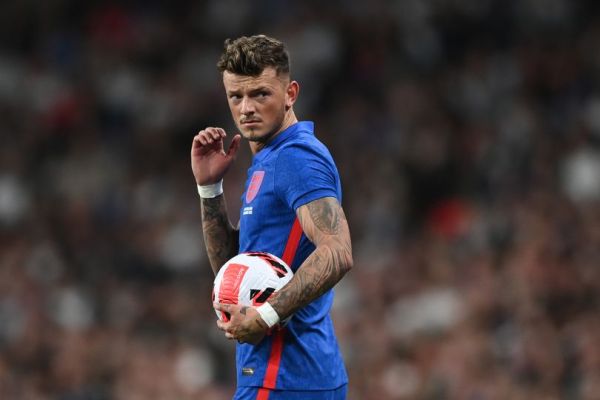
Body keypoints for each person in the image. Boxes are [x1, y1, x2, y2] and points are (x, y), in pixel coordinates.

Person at [191, 35, 353, 400]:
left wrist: (265, 316)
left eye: (260, 94)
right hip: (294, 374)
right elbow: (232, 271)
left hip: (283, 375)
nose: (246, 108)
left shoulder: (296, 158)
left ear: (290, 93)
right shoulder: (270, 158)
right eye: (236, 96)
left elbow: (338, 251)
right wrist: (209, 189)